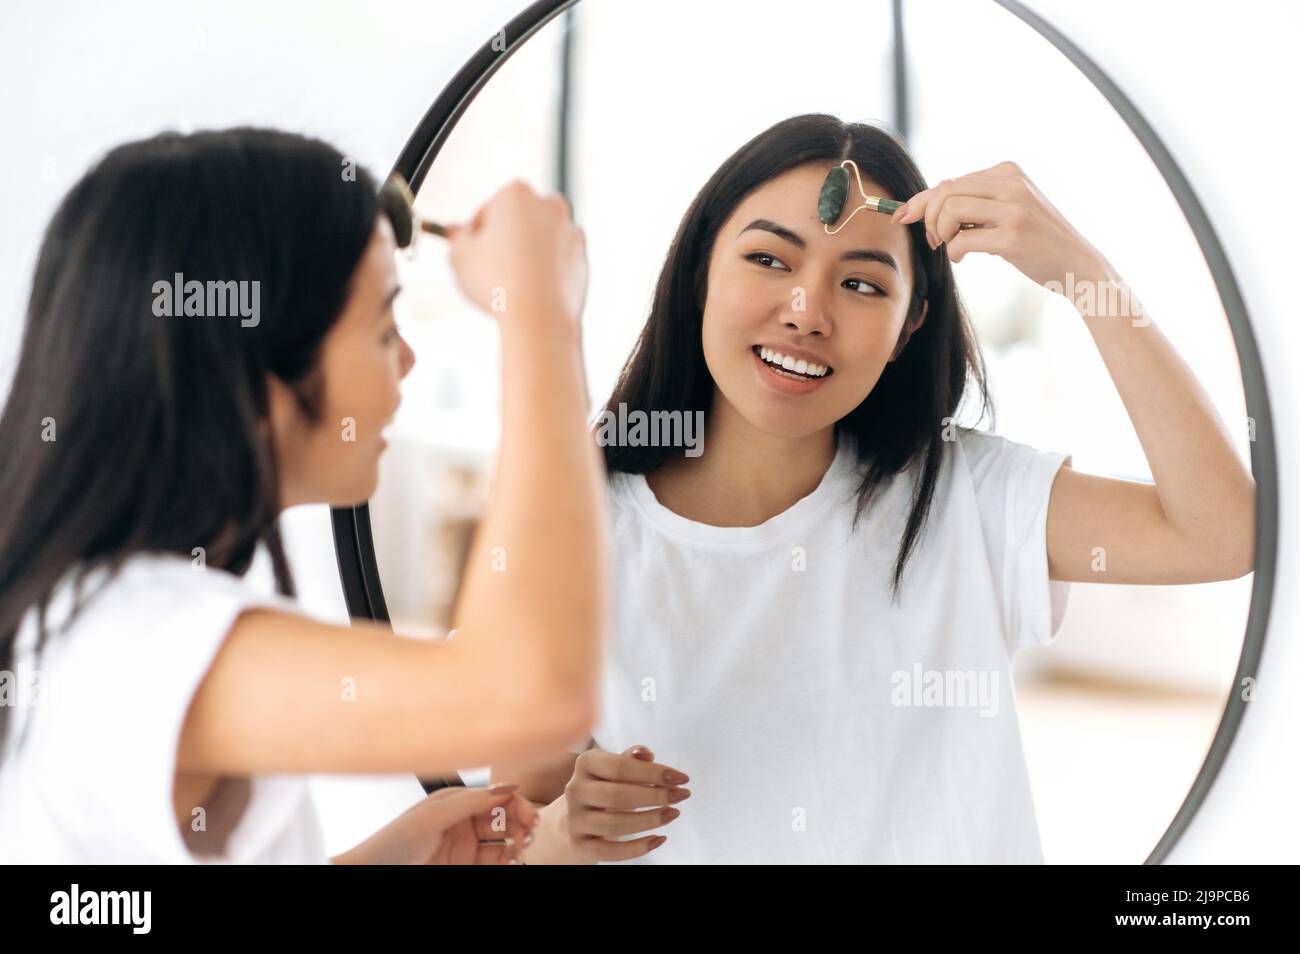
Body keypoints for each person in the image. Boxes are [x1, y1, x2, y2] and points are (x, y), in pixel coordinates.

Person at [493, 113, 1256, 864]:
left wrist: (1083, 276)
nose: (806, 313)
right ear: (699, 272)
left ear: (911, 324)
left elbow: (1222, 533)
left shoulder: (971, 497)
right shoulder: (575, 528)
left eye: (860, 282)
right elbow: (512, 829)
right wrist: (563, 833)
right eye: (768, 260)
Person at [0, 127, 607, 863]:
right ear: (260, 383)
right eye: (385, 328)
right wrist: (539, 313)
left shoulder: (96, 611)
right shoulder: (143, 637)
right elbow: (535, 694)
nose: (408, 359)